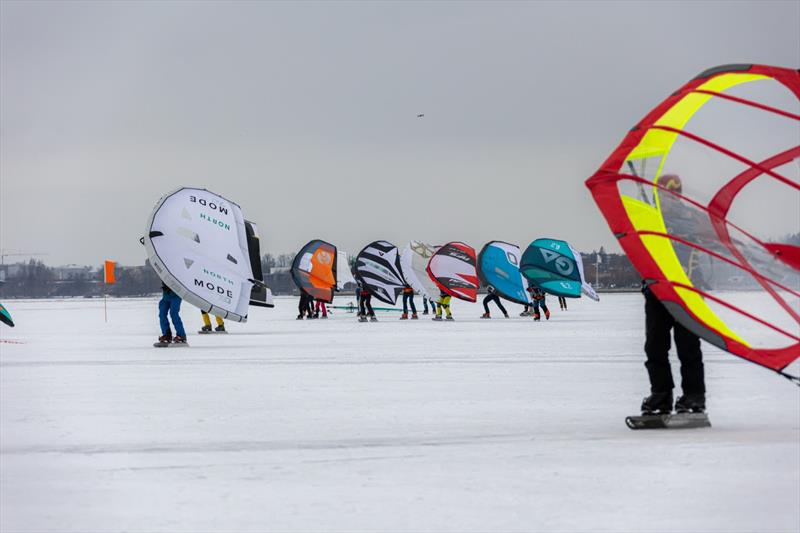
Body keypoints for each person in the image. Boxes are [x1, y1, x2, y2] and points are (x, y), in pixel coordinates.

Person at [640, 173, 705, 415]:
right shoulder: (650, 218)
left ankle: (694, 396)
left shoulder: (689, 219)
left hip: (684, 292)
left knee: (688, 347)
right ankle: (661, 395)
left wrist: (663, 220)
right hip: (656, 291)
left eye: (673, 194)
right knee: (655, 347)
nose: (669, 199)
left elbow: (693, 237)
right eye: (665, 194)